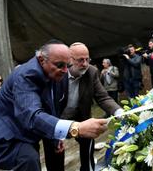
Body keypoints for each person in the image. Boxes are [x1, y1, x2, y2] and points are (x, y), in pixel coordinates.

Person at [0, 40, 109, 171]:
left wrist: (56, 137)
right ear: (41, 60)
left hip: (27, 131)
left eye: (67, 65)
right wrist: (76, 127)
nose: (64, 71)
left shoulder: (55, 74)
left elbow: (52, 108)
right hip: (5, 128)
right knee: (29, 160)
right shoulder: (25, 75)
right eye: (59, 65)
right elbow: (32, 115)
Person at [44, 42, 123, 171]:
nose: (85, 64)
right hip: (57, 119)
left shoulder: (92, 72)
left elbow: (102, 97)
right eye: (80, 60)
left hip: (80, 117)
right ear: (69, 59)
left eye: (87, 59)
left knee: (88, 142)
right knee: (55, 153)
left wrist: (118, 111)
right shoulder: (56, 72)